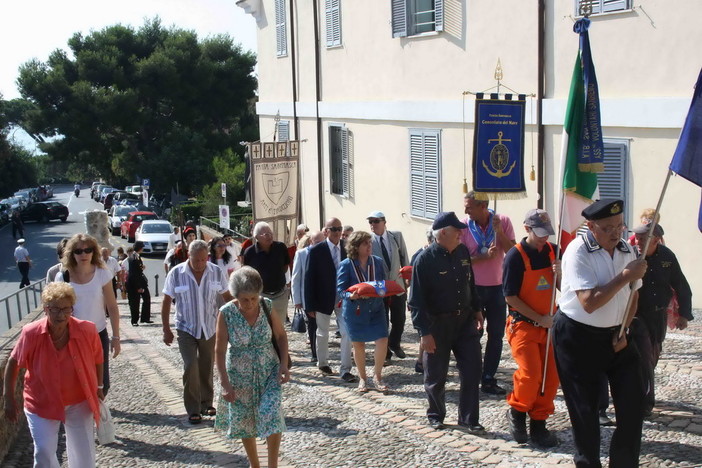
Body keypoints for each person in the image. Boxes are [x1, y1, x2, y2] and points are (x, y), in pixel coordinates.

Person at [553, 199, 647, 468]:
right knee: (586, 411)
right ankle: (588, 463)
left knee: (632, 406)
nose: (616, 233)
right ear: (591, 227)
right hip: (579, 337)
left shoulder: (627, 249)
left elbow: (634, 296)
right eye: (608, 228)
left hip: (617, 335)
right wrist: (624, 277)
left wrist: (624, 329)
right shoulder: (578, 252)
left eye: (619, 226)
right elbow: (590, 303)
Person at [3, 282, 104, 468]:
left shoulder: (87, 330)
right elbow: (13, 362)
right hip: (41, 402)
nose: (61, 315)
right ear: (45, 309)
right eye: (55, 309)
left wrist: (98, 387)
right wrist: (9, 398)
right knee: (43, 453)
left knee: (84, 455)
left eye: (67, 309)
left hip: (79, 400)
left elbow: (98, 359)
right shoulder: (31, 333)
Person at [409, 212, 484, 433]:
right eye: (457, 230)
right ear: (443, 233)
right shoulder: (424, 260)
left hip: (464, 322)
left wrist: (477, 309)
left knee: (472, 370)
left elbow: (471, 283)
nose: (462, 233)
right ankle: (435, 414)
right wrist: (424, 332)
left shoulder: (462, 252)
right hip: (437, 325)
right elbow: (416, 301)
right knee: (436, 374)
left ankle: (469, 418)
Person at [214, 266, 289, 468]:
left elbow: (281, 336)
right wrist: (225, 383)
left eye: (254, 298)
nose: (250, 304)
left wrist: (283, 364)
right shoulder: (226, 313)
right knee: (245, 421)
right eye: (245, 299)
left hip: (268, 371)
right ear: (235, 296)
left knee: (271, 413)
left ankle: (272, 465)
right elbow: (219, 351)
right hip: (239, 374)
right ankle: (255, 464)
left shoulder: (267, 306)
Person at [502, 209, 560, 447]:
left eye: (547, 233)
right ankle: (517, 412)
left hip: (549, 325)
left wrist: (561, 273)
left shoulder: (554, 251)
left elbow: (565, 287)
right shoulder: (514, 257)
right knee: (531, 375)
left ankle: (539, 423)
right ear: (527, 229)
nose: (544, 237)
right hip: (523, 325)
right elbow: (511, 298)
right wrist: (538, 318)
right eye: (539, 233)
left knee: (551, 377)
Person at [161, 240, 233, 424]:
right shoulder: (176, 274)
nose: (200, 264)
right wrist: (166, 329)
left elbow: (226, 298)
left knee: (207, 366)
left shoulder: (216, 272)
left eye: (203, 259)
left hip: (210, 326)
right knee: (190, 365)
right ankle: (193, 409)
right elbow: (167, 301)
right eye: (196, 260)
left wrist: (235, 320)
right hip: (186, 327)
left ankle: (206, 403)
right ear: (189, 257)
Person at [631, 222, 693, 416]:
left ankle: (640, 394)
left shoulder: (667, 257)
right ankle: (644, 403)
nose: (638, 241)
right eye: (637, 237)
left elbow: (681, 285)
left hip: (657, 316)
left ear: (656, 240)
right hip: (635, 316)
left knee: (653, 356)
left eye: (643, 238)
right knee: (643, 358)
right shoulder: (630, 255)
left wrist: (684, 314)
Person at [461, 191, 516, 395]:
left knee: (496, 335)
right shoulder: (464, 225)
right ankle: (471, 373)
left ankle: (488, 377)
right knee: (473, 333)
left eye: (469, 207)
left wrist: (500, 233)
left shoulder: (503, 221)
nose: (465, 210)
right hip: (473, 288)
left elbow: (512, 253)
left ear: (483, 207)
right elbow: (461, 259)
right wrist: (481, 257)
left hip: (498, 288)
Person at [58, 233, 121, 396]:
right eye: (78, 251)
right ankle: (85, 419)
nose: (83, 254)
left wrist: (116, 337)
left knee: (103, 385)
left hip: (98, 333)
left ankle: (95, 414)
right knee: (77, 382)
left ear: (94, 252)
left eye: (88, 250)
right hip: (71, 336)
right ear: (71, 254)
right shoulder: (63, 277)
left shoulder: (102, 274)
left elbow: (112, 307)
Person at [337, 231, 390, 393]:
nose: (369, 246)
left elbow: (383, 282)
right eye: (365, 243)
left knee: (382, 339)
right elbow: (340, 290)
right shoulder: (346, 265)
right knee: (358, 344)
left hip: (375, 308)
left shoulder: (378, 262)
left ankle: (377, 376)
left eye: (370, 243)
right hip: (356, 310)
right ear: (356, 246)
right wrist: (350, 295)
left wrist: (383, 290)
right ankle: (362, 378)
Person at [305, 218, 357, 382]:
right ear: (326, 231)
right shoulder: (316, 250)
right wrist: (309, 304)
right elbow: (309, 278)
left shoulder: (346, 247)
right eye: (333, 229)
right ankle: (323, 363)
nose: (337, 232)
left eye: (339, 228)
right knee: (322, 332)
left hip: (343, 298)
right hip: (322, 298)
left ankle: (345, 369)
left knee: (347, 332)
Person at [367, 211, 409, 362]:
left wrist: (407, 277)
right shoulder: (368, 241)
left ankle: (395, 343)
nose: (372, 224)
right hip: (379, 288)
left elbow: (404, 257)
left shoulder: (396, 236)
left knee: (399, 319)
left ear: (384, 222)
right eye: (370, 221)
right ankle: (385, 353)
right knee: (381, 321)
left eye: (375, 221)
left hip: (397, 286)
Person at [242, 222, 291, 324]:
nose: (270, 236)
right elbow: (247, 274)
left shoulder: (281, 248)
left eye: (270, 233)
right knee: (263, 326)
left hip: (280, 294)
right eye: (266, 234)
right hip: (261, 295)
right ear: (256, 237)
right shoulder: (249, 253)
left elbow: (285, 267)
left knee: (279, 325)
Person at [291, 231, 325, 362]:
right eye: (317, 242)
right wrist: (297, 299)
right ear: (311, 241)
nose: (320, 245)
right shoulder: (301, 254)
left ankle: (321, 350)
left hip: (322, 296)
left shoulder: (326, 253)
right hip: (307, 297)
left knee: (321, 324)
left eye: (322, 242)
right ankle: (315, 353)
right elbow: (296, 278)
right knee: (312, 324)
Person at [410, 229, 435, 374]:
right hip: (423, 301)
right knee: (426, 332)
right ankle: (421, 361)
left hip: (432, 301)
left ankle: (422, 361)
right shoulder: (420, 255)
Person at [126, 241, 152, 325]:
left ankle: (145, 318)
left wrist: (141, 268)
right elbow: (133, 274)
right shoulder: (133, 258)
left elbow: (138, 269)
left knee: (147, 298)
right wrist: (138, 287)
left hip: (141, 281)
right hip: (134, 283)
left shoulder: (137, 256)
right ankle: (134, 320)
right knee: (135, 302)